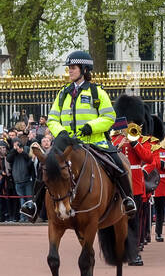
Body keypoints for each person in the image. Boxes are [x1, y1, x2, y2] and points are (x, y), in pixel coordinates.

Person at [21, 50, 136, 220]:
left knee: (118, 164)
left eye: (73, 68)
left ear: (84, 69)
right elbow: (52, 118)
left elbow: (109, 117)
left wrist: (91, 126)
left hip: (94, 141)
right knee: (44, 165)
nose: (70, 71)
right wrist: (61, 133)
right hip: (66, 142)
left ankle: (128, 200)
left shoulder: (97, 92)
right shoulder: (63, 93)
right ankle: (33, 203)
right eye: (69, 68)